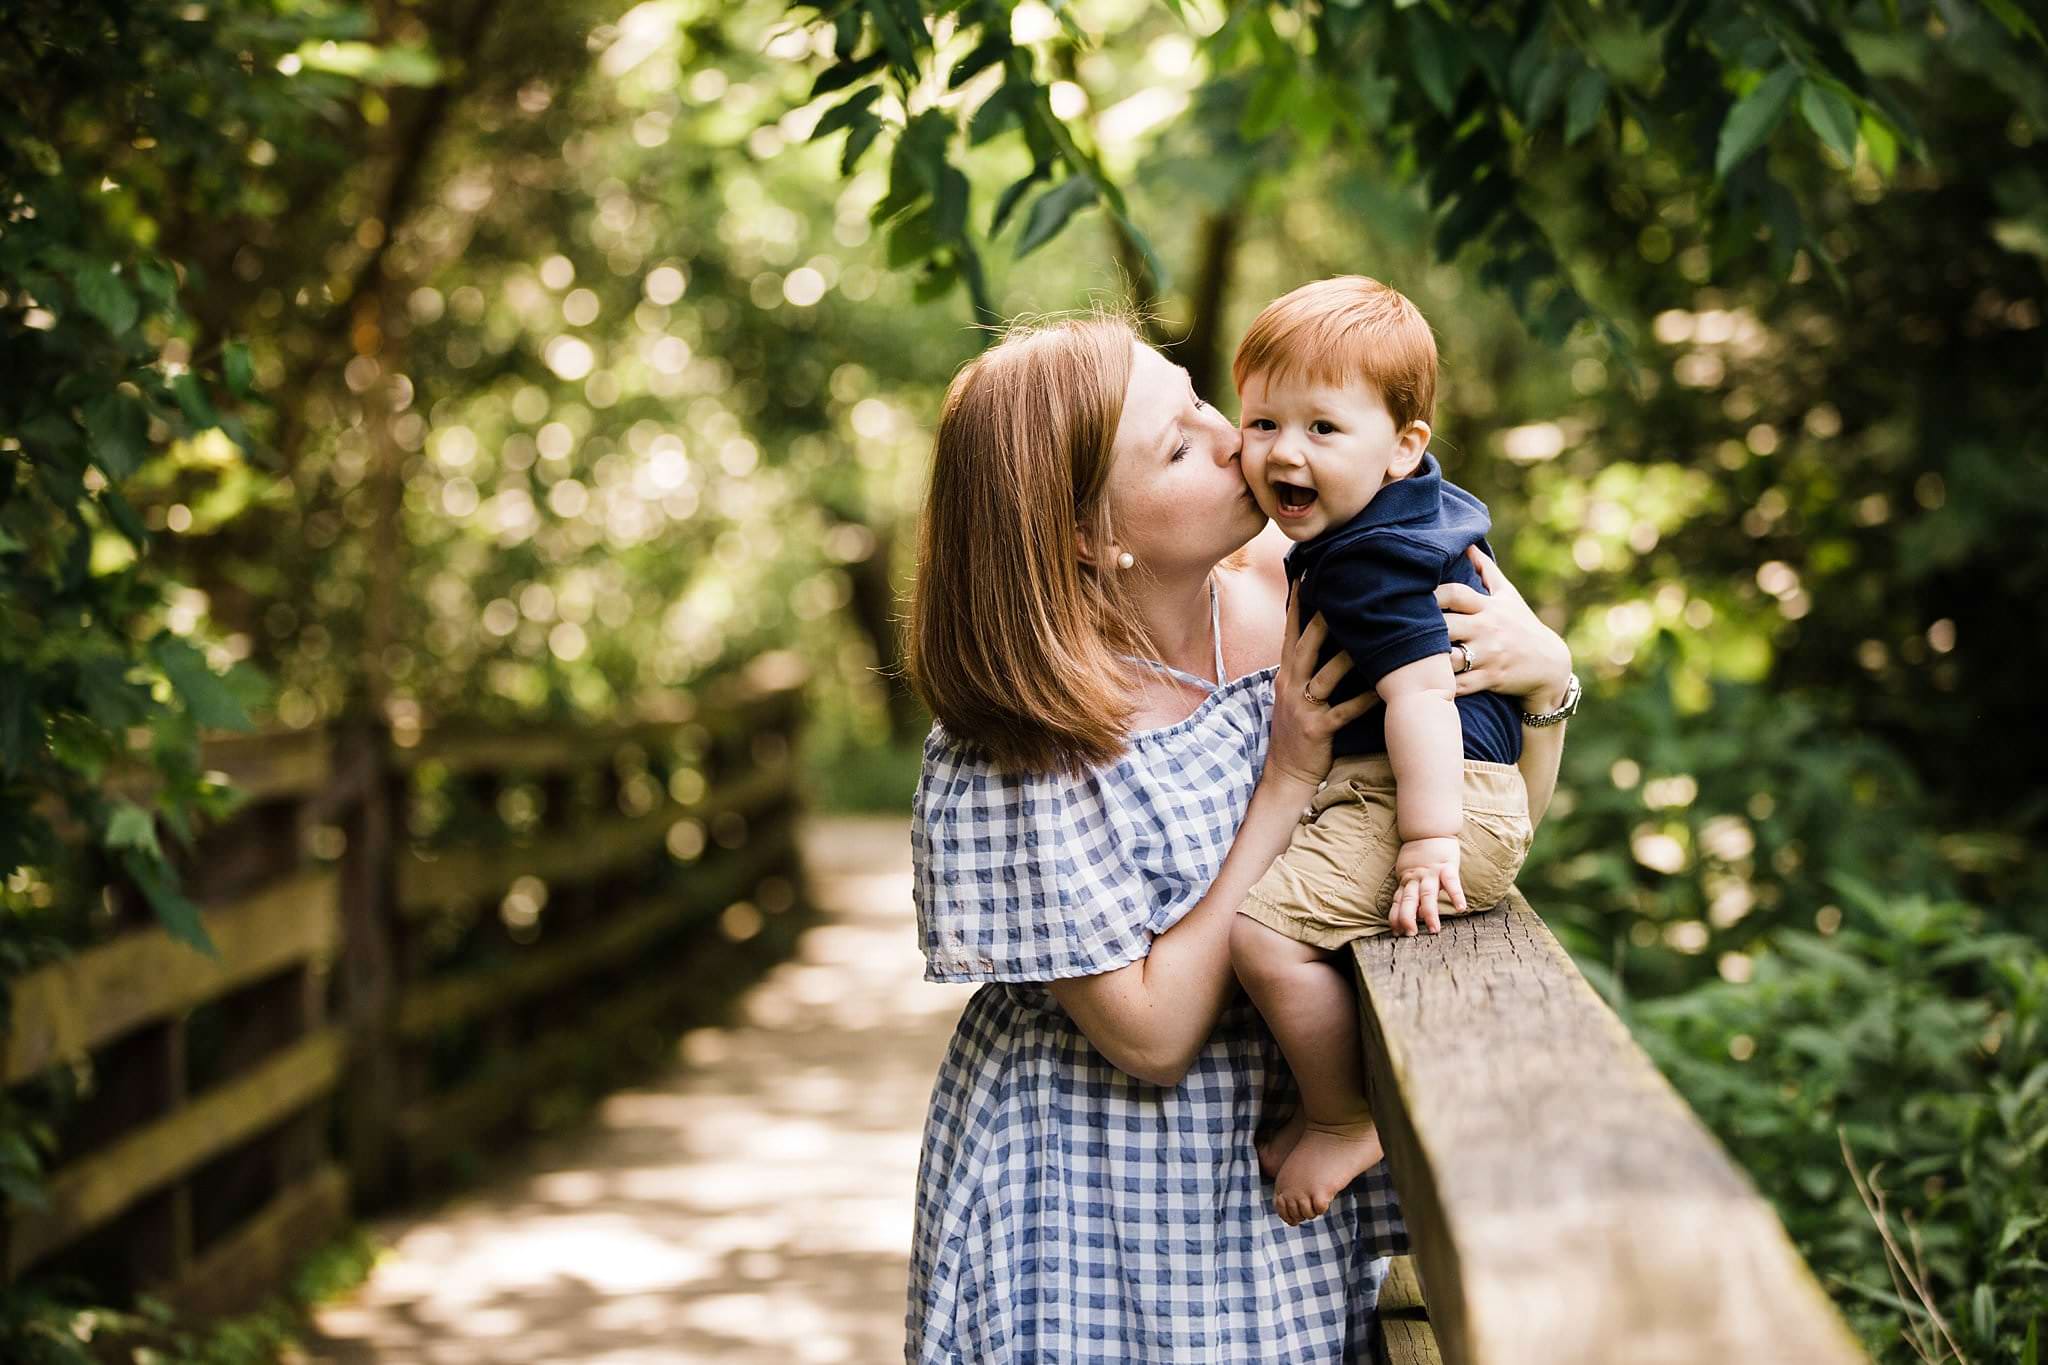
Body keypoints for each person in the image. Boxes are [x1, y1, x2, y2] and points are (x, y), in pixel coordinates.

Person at [904, 311, 1574, 1363]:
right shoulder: (1019, 744)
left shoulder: (1320, 578)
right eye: (1175, 446)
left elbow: (1494, 823)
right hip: (1100, 1197)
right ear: (1087, 534)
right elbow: (1149, 1038)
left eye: (1200, 404)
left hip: (1282, 1163)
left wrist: (1544, 685)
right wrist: (1285, 779)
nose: (1236, 442)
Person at [1223, 276, 1580, 1231]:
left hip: (1437, 800)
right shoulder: (1416, 511)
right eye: (1260, 423)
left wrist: (1427, 840)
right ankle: (1331, 1101)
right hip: (1465, 793)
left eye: (1322, 429)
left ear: (1403, 446)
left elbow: (1422, 694)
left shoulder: (1365, 559)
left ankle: (1344, 1116)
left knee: (1263, 936)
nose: (1282, 452)